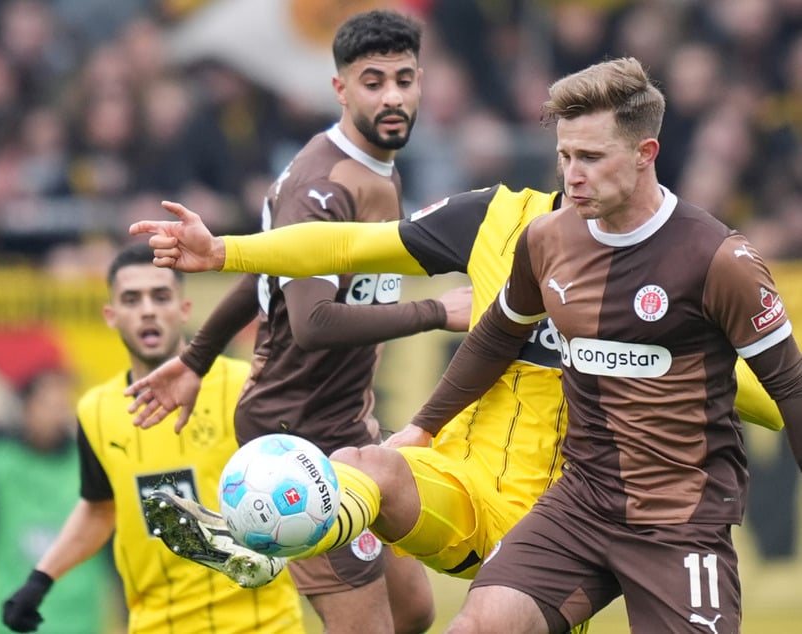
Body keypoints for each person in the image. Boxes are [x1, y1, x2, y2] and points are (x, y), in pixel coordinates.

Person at [127, 58, 799, 633]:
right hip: (498, 491)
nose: (572, 177)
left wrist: (713, 378)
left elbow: (766, 392)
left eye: (588, 158)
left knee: (415, 609)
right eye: (563, 157)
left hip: (634, 508)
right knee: (376, 469)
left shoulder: (709, 258)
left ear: (643, 154)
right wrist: (225, 250)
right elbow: (354, 247)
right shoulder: (517, 228)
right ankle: (272, 536)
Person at [134, 9, 475, 634]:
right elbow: (313, 319)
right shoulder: (322, 186)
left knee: (415, 613)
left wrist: (194, 358)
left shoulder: (375, 163)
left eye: (404, 79)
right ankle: (256, 536)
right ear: (340, 89)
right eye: (373, 82)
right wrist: (437, 311)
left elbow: (268, 271)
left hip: (347, 423)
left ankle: (248, 549)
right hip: (295, 435)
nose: (392, 96)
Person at [0, 243, 304, 634]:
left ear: (184, 309)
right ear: (111, 316)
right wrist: (40, 580)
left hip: (263, 624)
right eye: (131, 299)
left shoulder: (243, 386)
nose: (147, 309)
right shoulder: (96, 410)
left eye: (160, 296)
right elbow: (98, 508)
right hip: (156, 625)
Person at [0, 327, 115, 634]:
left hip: (77, 620)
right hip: (12, 618)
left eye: (63, 401)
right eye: (47, 402)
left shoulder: (89, 463)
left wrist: (125, 613)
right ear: (27, 407)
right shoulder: (0, 462)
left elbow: (110, 541)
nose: (57, 410)